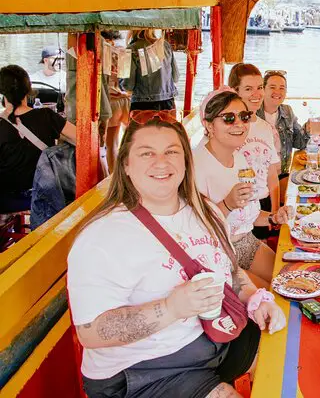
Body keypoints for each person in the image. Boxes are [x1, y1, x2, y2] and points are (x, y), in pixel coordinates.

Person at [67, 109, 286, 398]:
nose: (162, 162)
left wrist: (254, 298)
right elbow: (91, 332)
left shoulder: (206, 212)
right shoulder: (102, 236)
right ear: (126, 165)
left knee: (290, 354)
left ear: (185, 161)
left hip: (215, 338)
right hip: (146, 372)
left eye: (172, 152)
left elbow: (230, 271)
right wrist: (170, 308)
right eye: (147, 153)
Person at [194, 88, 288, 287]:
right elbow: (195, 231)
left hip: (246, 242)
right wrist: (227, 205)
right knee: (274, 298)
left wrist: (273, 217)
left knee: (288, 280)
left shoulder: (238, 158)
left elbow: (248, 213)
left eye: (244, 117)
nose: (239, 124)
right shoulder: (196, 167)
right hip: (217, 256)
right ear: (208, 125)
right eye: (228, 118)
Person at [0, 65, 76, 213]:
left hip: (5, 201)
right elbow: (83, 140)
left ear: (3, 93)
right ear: (28, 89)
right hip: (44, 195)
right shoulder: (46, 117)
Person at [228, 64, 281, 239]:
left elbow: (272, 174)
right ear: (235, 92)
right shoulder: (227, 130)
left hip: (262, 205)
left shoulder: (266, 128)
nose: (257, 94)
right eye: (248, 89)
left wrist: (274, 212)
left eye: (259, 87)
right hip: (236, 210)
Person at [256, 70, 310, 176]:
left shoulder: (287, 111)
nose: (278, 92)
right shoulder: (253, 114)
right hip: (259, 176)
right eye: (272, 87)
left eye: (282, 88)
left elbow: (299, 144)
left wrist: (308, 128)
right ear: (263, 89)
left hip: (282, 173)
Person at [125, 29, 179, 111]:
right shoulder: (165, 45)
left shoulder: (132, 49)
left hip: (142, 104)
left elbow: (129, 85)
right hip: (168, 102)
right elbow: (176, 77)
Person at [101, 31, 131, 173]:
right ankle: (131, 173)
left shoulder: (102, 50)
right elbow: (128, 81)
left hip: (111, 102)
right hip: (126, 100)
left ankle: (113, 177)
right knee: (131, 143)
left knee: (112, 145)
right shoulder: (124, 50)